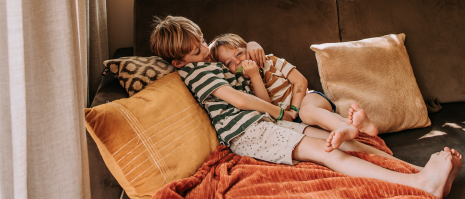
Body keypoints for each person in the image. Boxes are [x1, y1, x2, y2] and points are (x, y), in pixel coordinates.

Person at [150, 15, 462, 198]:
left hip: (267, 122)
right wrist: (280, 112)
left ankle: (418, 170)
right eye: (196, 51)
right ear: (179, 62)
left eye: (202, 42)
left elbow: (248, 68)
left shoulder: (211, 64)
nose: (204, 51)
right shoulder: (197, 73)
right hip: (249, 132)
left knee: (338, 139)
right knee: (325, 150)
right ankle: (419, 184)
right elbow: (240, 100)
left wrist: (254, 49)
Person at [208, 33, 378, 152]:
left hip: (308, 99)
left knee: (307, 111)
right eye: (230, 62)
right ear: (226, 70)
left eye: (239, 53)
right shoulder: (242, 86)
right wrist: (254, 76)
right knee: (313, 127)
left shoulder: (271, 61)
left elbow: (300, 81)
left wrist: (295, 110)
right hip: (296, 122)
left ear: (248, 50)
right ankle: (365, 129)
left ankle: (343, 128)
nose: (238, 61)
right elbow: (265, 105)